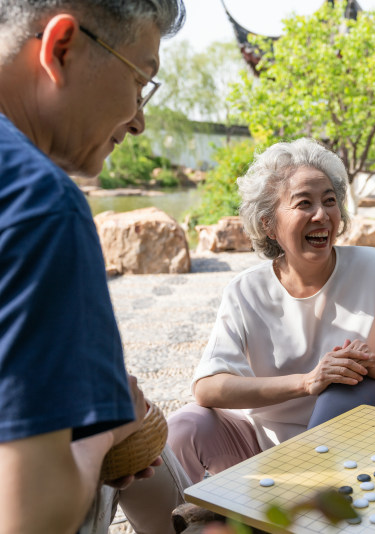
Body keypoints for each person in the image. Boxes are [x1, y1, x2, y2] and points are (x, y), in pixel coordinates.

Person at [0, 2, 190, 533]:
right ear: (62, 48)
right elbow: (30, 517)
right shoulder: (38, 202)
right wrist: (108, 433)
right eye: (140, 80)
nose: (139, 120)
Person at [167, 138, 375, 483]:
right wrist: (308, 382)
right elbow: (208, 388)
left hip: (355, 443)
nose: (322, 215)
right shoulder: (246, 290)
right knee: (183, 427)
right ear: (268, 224)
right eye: (304, 204)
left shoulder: (372, 267)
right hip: (261, 444)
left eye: (329, 201)